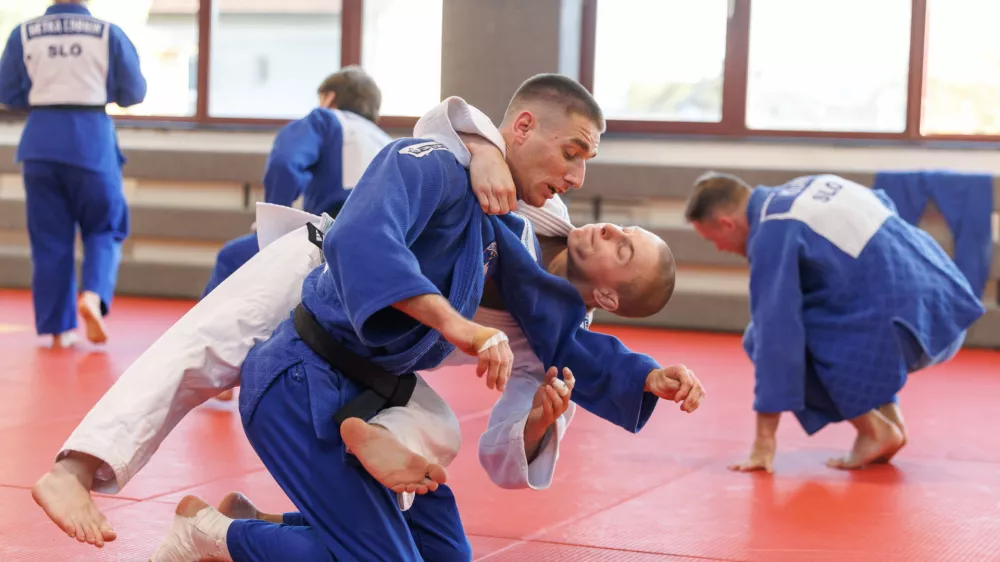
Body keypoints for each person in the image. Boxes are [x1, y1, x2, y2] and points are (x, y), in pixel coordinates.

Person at [33, 85, 697, 554]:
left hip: (377, 358)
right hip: (323, 262)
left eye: (625, 248)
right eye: (574, 157)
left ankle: (270, 526)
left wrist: (565, 411)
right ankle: (73, 470)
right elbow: (445, 130)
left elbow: (505, 449)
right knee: (202, 350)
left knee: (436, 433)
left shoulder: (545, 318)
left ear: (609, 298)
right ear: (521, 132)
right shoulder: (531, 205)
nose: (593, 203)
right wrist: (482, 146)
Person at [684, 171, 986, 472]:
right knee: (841, 300)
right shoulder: (816, 183)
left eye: (714, 240)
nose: (720, 249)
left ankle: (873, 430)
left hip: (907, 331)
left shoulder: (771, 230)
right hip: (947, 310)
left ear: (727, 223)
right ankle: (890, 423)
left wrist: (765, 441)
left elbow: (774, 335)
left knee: (764, 335)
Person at [0, 0, 146, 347]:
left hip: (40, 142)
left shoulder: (25, 33)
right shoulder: (108, 33)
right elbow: (134, 93)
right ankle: (92, 296)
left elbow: (7, 91)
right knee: (105, 227)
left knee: (49, 239)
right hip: (90, 141)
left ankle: (57, 331)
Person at [201, 66, 390, 298]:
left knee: (231, 258)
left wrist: (272, 221)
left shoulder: (324, 119)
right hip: (381, 255)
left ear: (329, 98)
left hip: (328, 242)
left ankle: (203, 335)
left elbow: (285, 164)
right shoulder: (387, 143)